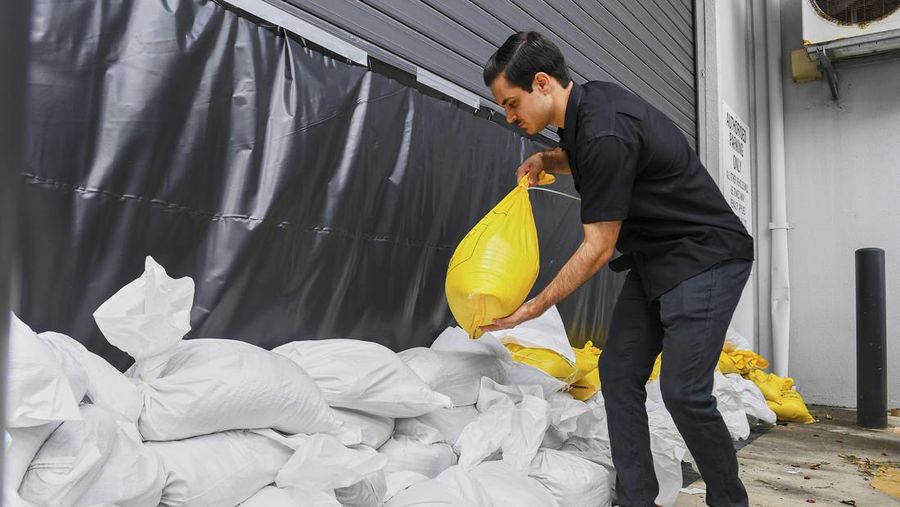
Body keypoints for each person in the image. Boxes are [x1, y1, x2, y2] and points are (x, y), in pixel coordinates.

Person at [478, 31, 754, 507]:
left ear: (542, 83)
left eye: (512, 103)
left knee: (684, 392)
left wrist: (532, 308)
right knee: (619, 371)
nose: (510, 116)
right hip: (657, 259)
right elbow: (582, 156)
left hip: (705, 255)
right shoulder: (586, 110)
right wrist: (547, 157)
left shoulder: (605, 128)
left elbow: (597, 249)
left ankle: (729, 501)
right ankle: (635, 499)